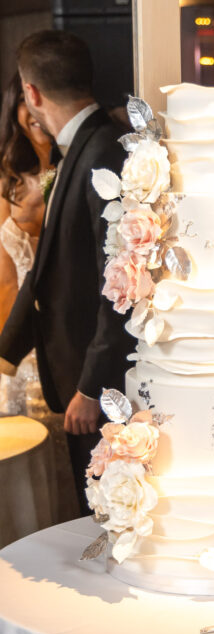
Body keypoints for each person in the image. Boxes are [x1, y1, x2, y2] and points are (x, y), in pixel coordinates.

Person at [0, 31, 134, 512]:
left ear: (31, 93)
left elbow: (120, 282)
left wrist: (91, 386)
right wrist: (6, 356)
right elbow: (45, 271)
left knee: (102, 514)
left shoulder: (102, 153)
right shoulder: (79, 147)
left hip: (93, 386)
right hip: (69, 372)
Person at [0, 72, 51, 413]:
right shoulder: (6, 182)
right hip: (17, 344)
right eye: (23, 101)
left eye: (40, 97)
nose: (33, 110)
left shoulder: (80, 177)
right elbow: (4, 283)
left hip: (63, 339)